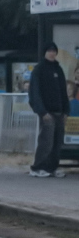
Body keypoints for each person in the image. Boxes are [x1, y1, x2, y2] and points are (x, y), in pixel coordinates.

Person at [28, 41, 68, 178]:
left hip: (59, 112)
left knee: (57, 142)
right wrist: (42, 111)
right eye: (49, 51)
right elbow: (34, 93)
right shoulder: (39, 69)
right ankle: (38, 167)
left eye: (54, 51)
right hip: (47, 112)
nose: (52, 53)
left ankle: (51, 167)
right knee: (46, 141)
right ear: (44, 53)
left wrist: (66, 111)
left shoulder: (58, 69)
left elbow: (63, 92)